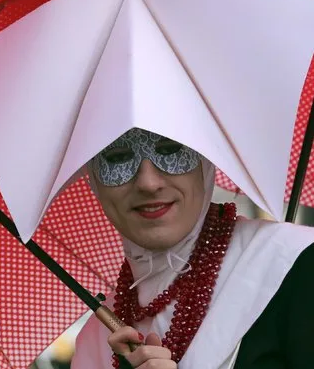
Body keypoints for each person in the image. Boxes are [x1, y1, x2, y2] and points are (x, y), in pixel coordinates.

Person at [70, 127, 314, 369]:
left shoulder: (293, 262)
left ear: (205, 158)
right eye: (117, 157)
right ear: (93, 179)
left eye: (170, 149)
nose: (148, 183)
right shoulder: (98, 341)